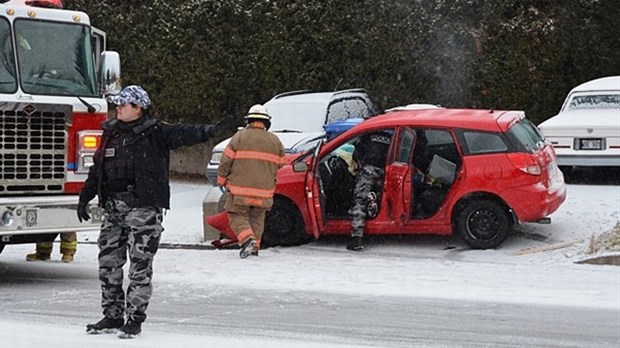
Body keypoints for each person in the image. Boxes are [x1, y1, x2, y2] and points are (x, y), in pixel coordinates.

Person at [77, 85, 234, 339]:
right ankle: (112, 314)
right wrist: (85, 196)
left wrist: (207, 131)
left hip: (143, 208)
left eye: (124, 104)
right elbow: (98, 168)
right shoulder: (111, 133)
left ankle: (135, 319)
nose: (118, 107)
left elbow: (182, 133)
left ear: (138, 108)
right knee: (108, 263)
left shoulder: (155, 132)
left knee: (140, 266)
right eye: (117, 104)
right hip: (113, 208)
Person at [216, 104, 285, 258]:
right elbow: (282, 164)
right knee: (257, 218)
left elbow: (225, 161)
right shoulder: (275, 141)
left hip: (239, 190)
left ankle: (248, 241)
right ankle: (254, 248)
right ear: (266, 123)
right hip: (265, 191)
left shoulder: (239, 137)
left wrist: (221, 180)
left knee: (236, 215)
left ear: (249, 121)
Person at [347, 131, 392, 251]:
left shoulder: (369, 132)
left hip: (369, 171)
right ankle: (374, 202)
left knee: (359, 201)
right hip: (387, 172)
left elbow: (357, 153)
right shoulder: (391, 134)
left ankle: (356, 238)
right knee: (383, 197)